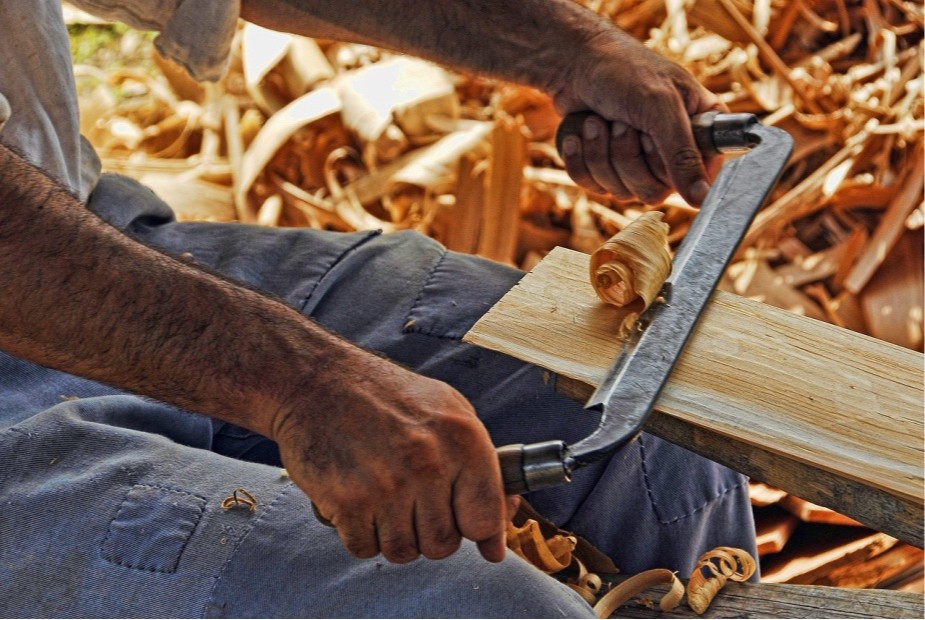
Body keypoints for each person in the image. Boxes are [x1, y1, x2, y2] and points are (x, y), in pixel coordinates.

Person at [0, 1, 755, 617]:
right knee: (470, 609)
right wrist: (302, 384)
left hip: (78, 229)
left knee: (657, 447)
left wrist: (563, 49)